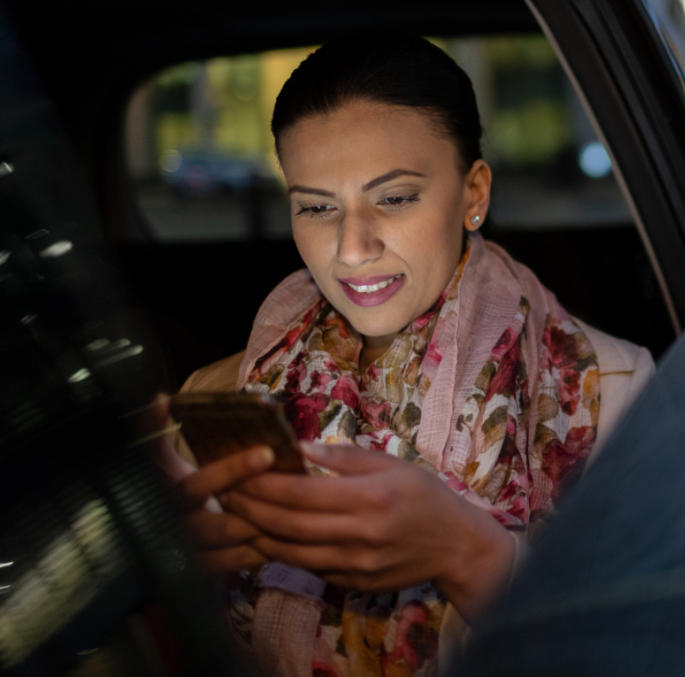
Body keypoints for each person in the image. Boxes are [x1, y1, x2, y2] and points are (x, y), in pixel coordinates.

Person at [158, 35, 654, 677]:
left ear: (474, 194)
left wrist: (471, 555)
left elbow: (652, 650)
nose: (352, 247)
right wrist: (162, 561)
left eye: (394, 198)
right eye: (315, 206)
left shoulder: (613, 394)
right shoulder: (220, 397)